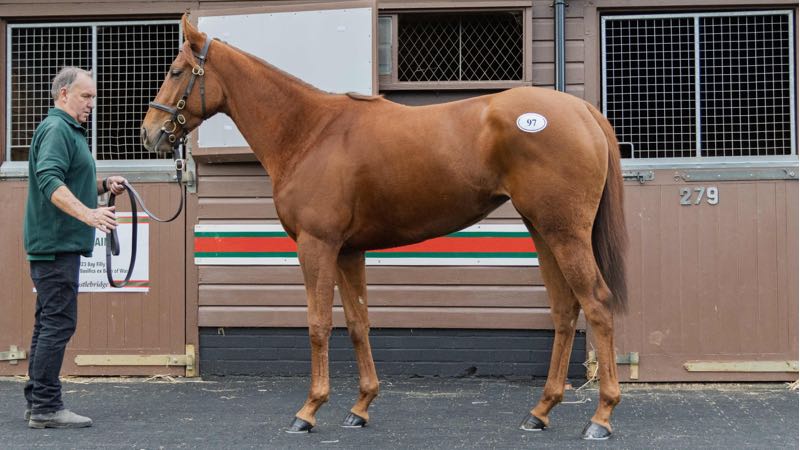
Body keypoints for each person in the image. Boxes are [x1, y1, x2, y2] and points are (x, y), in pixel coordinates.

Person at [23, 67, 127, 429]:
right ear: (64, 94)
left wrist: (103, 185)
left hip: (57, 244)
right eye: (86, 96)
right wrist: (90, 215)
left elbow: (70, 180)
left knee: (47, 323)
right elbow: (49, 180)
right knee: (58, 323)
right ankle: (47, 406)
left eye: (93, 97)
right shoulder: (57, 129)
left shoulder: (68, 131)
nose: (91, 103)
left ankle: (37, 401)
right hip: (56, 245)